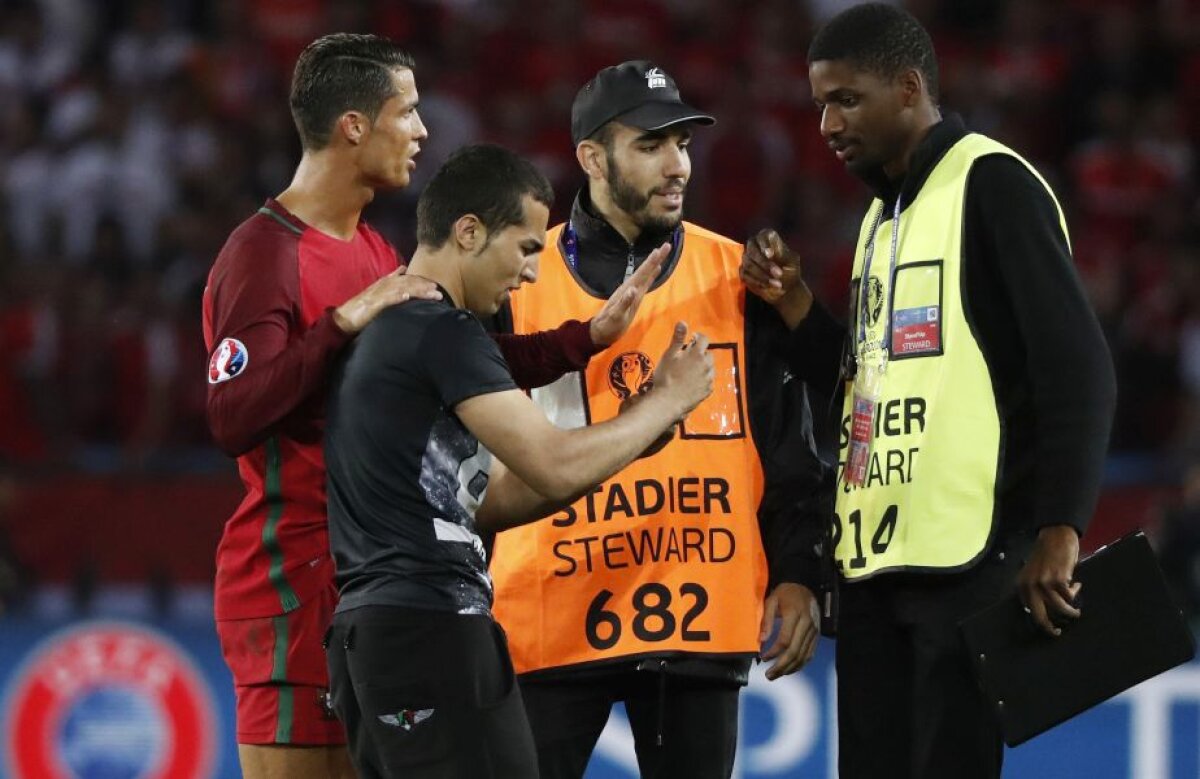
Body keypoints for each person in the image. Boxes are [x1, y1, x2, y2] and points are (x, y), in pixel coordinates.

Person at [202, 34, 655, 779]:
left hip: (365, 578)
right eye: (406, 112)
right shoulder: (263, 254)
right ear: (353, 126)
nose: (420, 131)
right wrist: (343, 321)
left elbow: (447, 363)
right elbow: (230, 415)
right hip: (291, 581)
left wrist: (583, 341)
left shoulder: (375, 254)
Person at [740, 5, 1117, 777]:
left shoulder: (993, 181)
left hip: (971, 561)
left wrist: (1061, 527)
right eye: (819, 104)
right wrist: (798, 311)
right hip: (879, 569)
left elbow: (1077, 366)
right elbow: (865, 383)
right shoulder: (883, 216)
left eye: (846, 99)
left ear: (909, 88)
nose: (827, 124)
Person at [323, 143, 716, 779]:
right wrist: (665, 404)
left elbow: (496, 499)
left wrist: (634, 437)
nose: (532, 274)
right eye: (526, 248)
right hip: (430, 630)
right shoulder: (442, 332)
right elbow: (552, 462)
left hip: (379, 640)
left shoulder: (396, 333)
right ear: (470, 232)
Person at [488, 60, 832, 779]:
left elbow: (788, 443)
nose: (677, 165)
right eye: (650, 145)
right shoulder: (517, 278)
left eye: (682, 143)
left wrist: (800, 571)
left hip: (697, 615)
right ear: (591, 157)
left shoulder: (736, 276)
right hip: (549, 612)